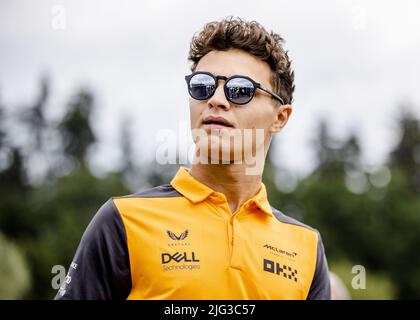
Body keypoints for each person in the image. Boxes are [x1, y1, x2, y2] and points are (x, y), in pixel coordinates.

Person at [54, 17, 331, 300]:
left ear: (280, 118)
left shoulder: (306, 246)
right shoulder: (123, 220)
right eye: (203, 85)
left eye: (240, 90)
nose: (216, 99)